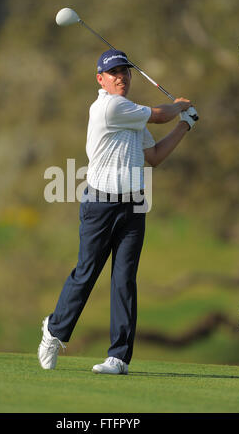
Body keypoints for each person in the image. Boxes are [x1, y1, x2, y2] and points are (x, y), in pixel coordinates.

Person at [38, 49, 197, 375]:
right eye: (114, 73)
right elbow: (160, 114)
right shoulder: (110, 107)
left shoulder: (132, 114)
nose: (121, 77)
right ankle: (54, 332)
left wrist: (185, 125)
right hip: (101, 204)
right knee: (87, 273)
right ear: (101, 80)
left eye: (125, 72)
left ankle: (119, 358)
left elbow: (153, 156)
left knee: (125, 280)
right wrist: (180, 106)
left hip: (134, 204)